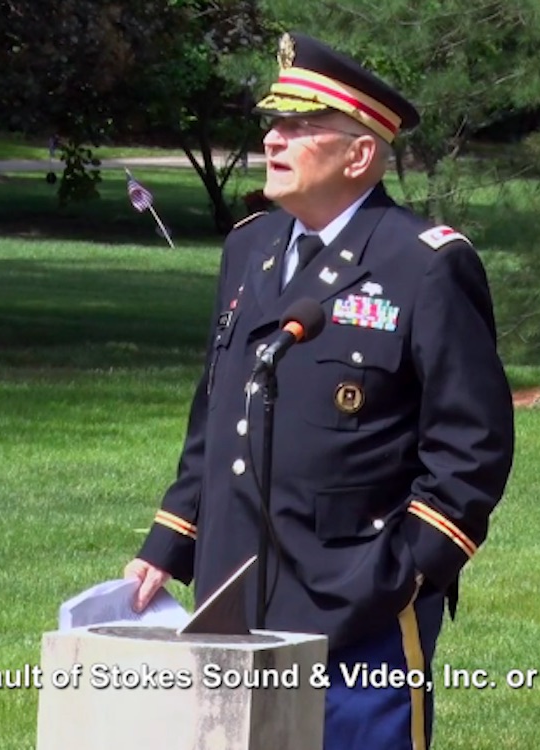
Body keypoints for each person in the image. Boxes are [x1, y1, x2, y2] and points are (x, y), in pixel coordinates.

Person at [124, 31, 515, 750]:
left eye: (299, 128)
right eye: (273, 124)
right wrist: (169, 543)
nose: (272, 139)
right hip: (232, 596)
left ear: (358, 154)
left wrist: (400, 575)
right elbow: (217, 408)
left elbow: (472, 451)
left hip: (358, 611)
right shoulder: (250, 246)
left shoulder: (422, 264)